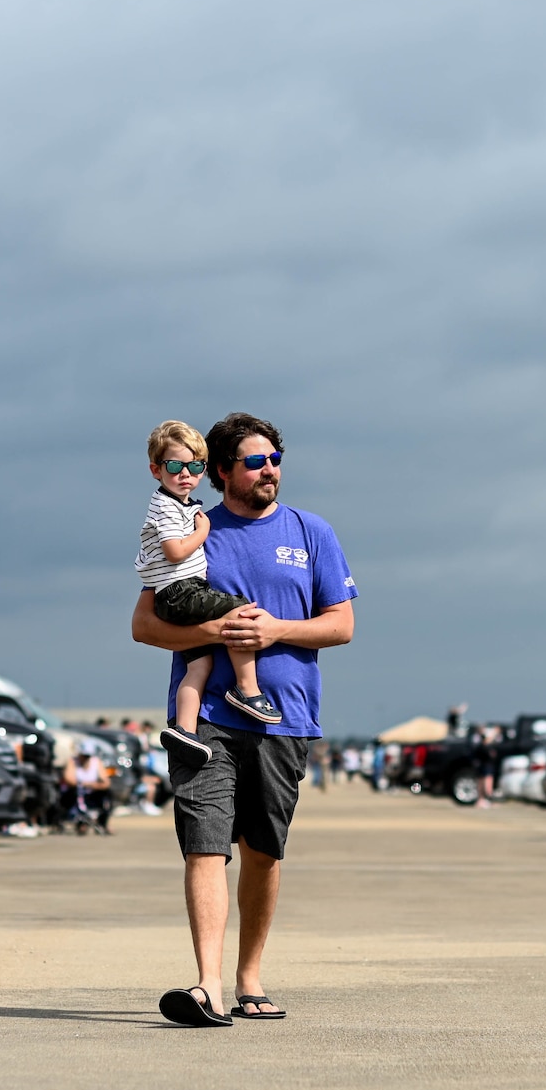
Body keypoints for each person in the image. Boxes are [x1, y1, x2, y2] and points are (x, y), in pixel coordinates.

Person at [133, 411, 356, 1025]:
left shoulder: (312, 532)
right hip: (204, 715)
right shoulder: (194, 526)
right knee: (205, 845)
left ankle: (248, 977)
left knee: (263, 849)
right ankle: (205, 985)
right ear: (222, 471)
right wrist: (216, 630)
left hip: (284, 716)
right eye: (254, 462)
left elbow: (342, 624)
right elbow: (145, 625)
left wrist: (279, 629)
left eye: (275, 460)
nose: (269, 471)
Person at [135, 420, 280, 769]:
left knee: (199, 664)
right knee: (241, 611)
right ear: (156, 469)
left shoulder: (180, 504)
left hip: (176, 593)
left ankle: (185, 730)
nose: (185, 474)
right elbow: (174, 551)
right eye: (174, 466)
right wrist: (204, 530)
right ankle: (247, 689)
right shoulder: (168, 507)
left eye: (194, 466)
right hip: (182, 591)